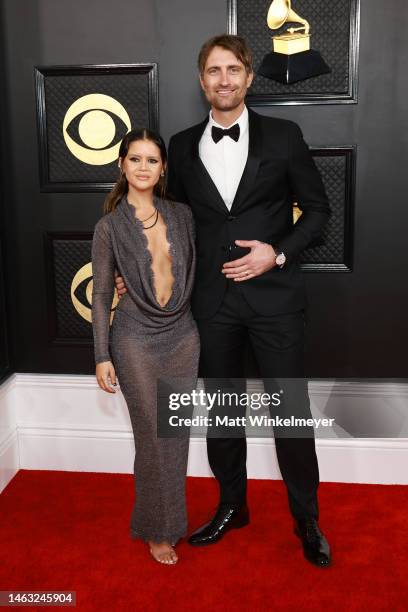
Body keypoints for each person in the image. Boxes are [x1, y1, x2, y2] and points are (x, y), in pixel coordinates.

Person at [115, 34, 332, 567]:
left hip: (275, 300)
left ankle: (307, 520)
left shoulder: (284, 136)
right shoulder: (183, 147)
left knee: (291, 417)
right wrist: (132, 275)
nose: (224, 79)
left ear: (250, 77)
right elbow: (167, 227)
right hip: (210, 305)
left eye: (233, 69)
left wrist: (275, 254)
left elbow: (321, 213)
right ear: (202, 79)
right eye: (214, 70)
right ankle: (233, 506)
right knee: (223, 416)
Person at [91, 128, 199, 565]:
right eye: (134, 159)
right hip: (134, 339)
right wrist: (101, 355)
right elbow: (101, 294)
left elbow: (198, 270)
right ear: (121, 165)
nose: (142, 167)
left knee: (173, 435)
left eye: (151, 160)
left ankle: (168, 521)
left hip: (183, 336)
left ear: (162, 168)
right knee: (152, 439)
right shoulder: (109, 227)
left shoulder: (183, 216)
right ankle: (157, 530)